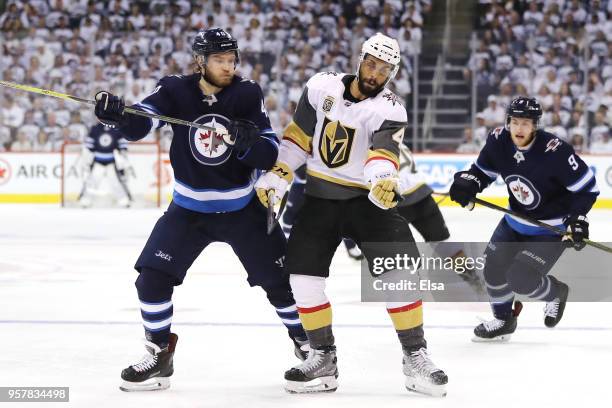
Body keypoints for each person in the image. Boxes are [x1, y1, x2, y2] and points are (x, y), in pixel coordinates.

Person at [93, 28, 307, 391]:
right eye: (220, 61)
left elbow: (270, 153)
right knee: (151, 279)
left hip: (243, 210)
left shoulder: (246, 93)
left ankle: (308, 346)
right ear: (200, 61)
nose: (228, 67)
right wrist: (117, 116)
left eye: (231, 60)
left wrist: (248, 143)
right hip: (188, 212)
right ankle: (160, 353)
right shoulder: (176, 89)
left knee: (282, 284)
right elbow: (140, 124)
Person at [255, 33, 447, 396]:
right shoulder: (320, 86)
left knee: (400, 277)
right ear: (360, 60)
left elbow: (383, 151)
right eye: (372, 64)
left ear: (392, 73)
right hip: (319, 198)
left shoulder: (390, 107)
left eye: (385, 69)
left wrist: (383, 179)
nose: (376, 73)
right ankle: (322, 358)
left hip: (368, 202)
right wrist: (280, 172)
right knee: (303, 280)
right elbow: (298, 137)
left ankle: (415, 355)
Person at [449, 96, 599, 342]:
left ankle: (555, 293)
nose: (519, 128)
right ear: (508, 121)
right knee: (492, 271)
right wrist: (470, 184)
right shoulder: (499, 140)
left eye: (525, 123)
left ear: (535, 125)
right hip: (514, 221)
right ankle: (504, 320)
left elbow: (586, 189)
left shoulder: (555, 151)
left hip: (550, 229)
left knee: (521, 279)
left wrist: (578, 219)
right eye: (515, 122)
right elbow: (482, 172)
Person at [78, 123, 133, 208]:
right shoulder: (95, 128)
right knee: (92, 182)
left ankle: (124, 201)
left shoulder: (116, 128)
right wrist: (87, 157)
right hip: (97, 161)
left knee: (115, 182)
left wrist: (122, 152)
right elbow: (89, 145)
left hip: (111, 161)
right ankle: (85, 201)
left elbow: (122, 143)